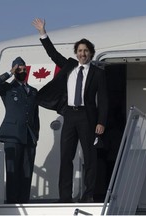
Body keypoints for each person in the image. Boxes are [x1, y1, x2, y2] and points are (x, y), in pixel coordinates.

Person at [32, 18, 108, 203]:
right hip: (70, 115)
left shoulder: (98, 73)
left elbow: (104, 99)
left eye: (86, 51)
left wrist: (101, 122)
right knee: (66, 156)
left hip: (87, 117)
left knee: (90, 157)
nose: (83, 54)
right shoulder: (69, 66)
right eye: (80, 51)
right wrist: (43, 33)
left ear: (91, 53)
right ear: (76, 53)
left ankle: (88, 194)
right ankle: (64, 196)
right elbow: (52, 54)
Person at [0, 57, 40, 204]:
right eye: (19, 69)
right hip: (12, 135)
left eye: (24, 69)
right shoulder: (8, 88)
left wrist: (36, 134)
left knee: (26, 171)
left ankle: (24, 201)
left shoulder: (33, 91)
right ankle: (12, 202)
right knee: (13, 171)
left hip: (29, 136)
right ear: (14, 70)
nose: (22, 71)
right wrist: (9, 73)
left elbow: (35, 115)